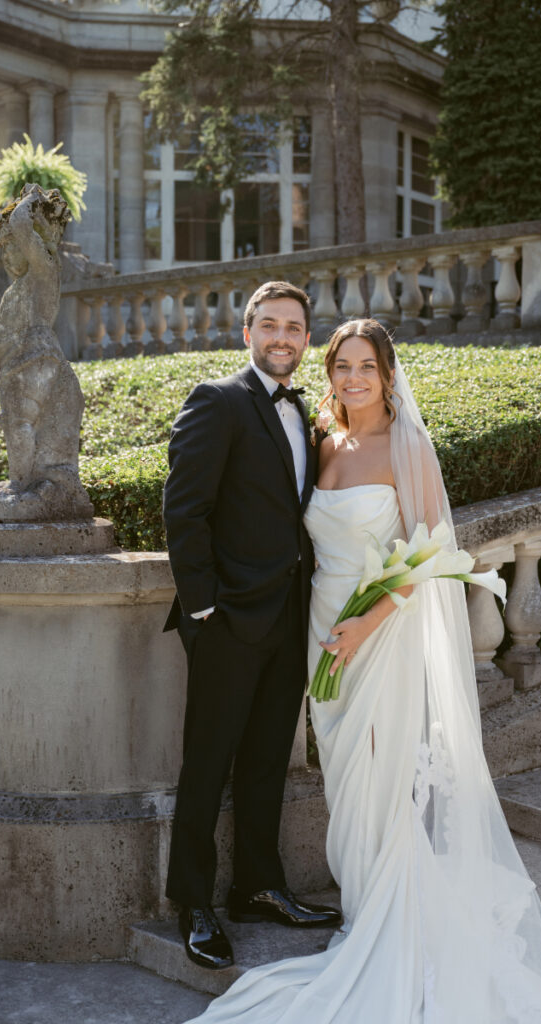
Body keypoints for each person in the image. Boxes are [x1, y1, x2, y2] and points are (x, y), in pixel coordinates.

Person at [181, 318, 541, 1023]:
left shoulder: (405, 446)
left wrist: (364, 625)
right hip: (317, 630)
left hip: (375, 634)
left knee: (380, 777)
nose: (352, 378)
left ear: (387, 372)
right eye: (341, 365)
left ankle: (388, 917)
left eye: (365, 366)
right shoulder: (322, 441)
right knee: (345, 778)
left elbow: (431, 551)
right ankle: (362, 901)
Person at [163, 280, 341, 972]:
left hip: (291, 617)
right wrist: (205, 609)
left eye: (293, 327)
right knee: (207, 764)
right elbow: (184, 510)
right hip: (230, 621)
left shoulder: (309, 412)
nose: (281, 337)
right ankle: (194, 904)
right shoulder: (217, 400)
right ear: (247, 333)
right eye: (268, 325)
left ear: (305, 338)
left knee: (269, 757)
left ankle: (258, 888)